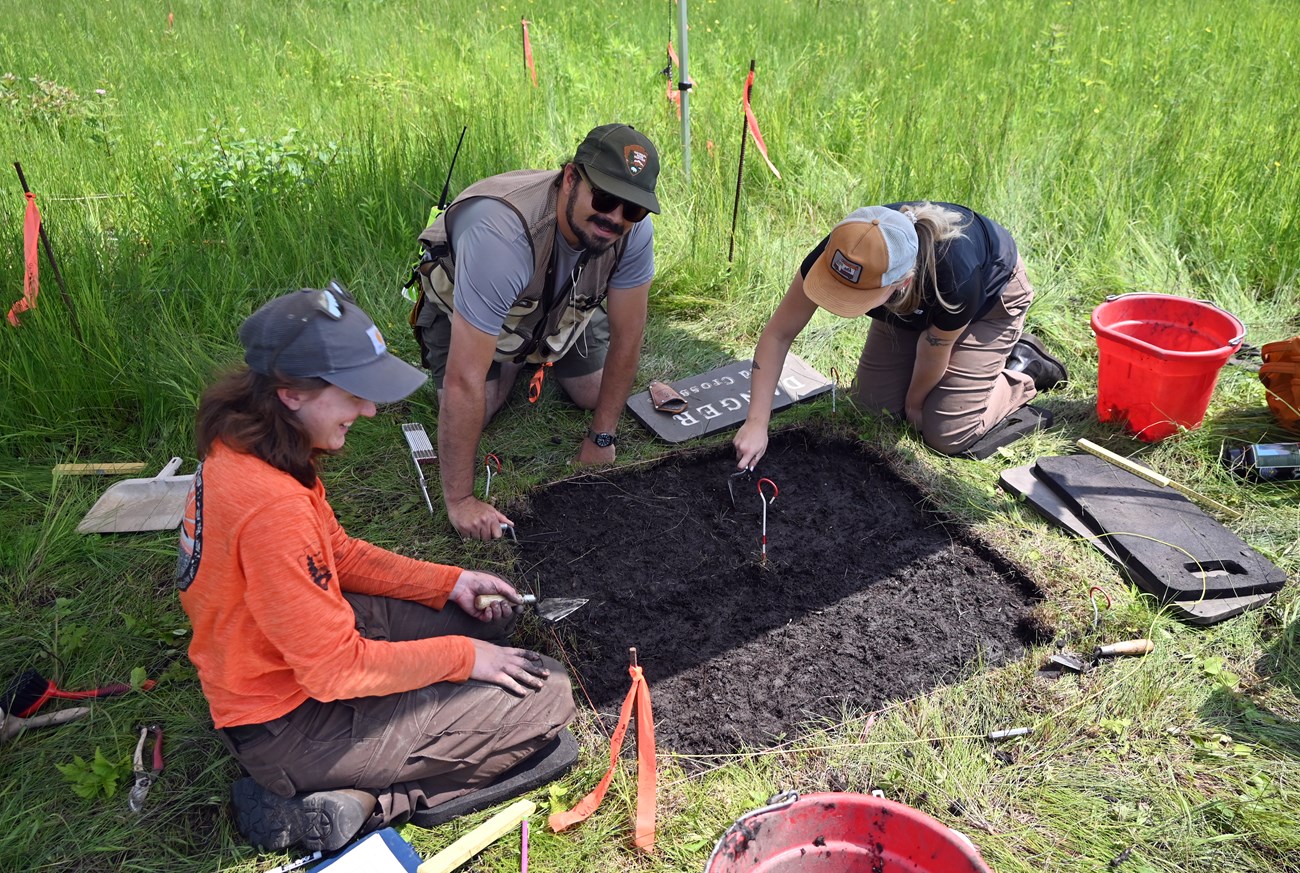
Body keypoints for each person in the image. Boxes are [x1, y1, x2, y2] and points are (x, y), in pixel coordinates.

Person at [176, 282, 576, 853]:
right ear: (291, 393)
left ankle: (379, 751)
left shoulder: (252, 446)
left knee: (488, 622)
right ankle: (365, 802)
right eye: (354, 393)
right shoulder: (271, 507)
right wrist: (464, 660)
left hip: (279, 657)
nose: (368, 409)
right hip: (288, 725)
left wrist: (450, 582)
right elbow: (333, 672)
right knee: (548, 697)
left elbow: (336, 554)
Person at [410, 123, 661, 540]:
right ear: (569, 179)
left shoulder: (632, 233)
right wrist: (460, 500)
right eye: (604, 198)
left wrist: (602, 438)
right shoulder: (500, 237)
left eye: (632, 209)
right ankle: (509, 360)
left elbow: (628, 335)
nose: (614, 218)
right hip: (463, 305)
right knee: (480, 405)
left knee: (595, 394)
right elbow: (463, 380)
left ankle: (524, 351)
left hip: (561, 305)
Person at [734, 203, 1067, 465]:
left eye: (857, 297)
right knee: (873, 408)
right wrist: (756, 422)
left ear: (902, 281)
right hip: (914, 308)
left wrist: (916, 403)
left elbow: (933, 347)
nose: (840, 303)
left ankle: (1023, 368)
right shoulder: (848, 247)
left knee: (946, 432)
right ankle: (971, 374)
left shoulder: (954, 276)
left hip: (989, 305)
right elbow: (779, 334)